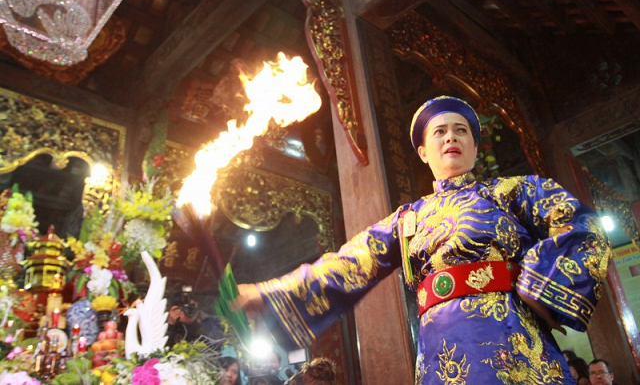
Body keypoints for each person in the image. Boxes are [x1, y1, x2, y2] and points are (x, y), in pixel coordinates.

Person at [234, 96, 611, 383]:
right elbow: (350, 263)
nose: (451, 137)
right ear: (423, 152)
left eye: (461, 130)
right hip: (440, 355)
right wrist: (269, 293)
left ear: (474, 147)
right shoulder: (407, 219)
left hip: (513, 339)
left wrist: (541, 287)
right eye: (439, 132)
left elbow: (582, 226)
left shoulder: (513, 191)